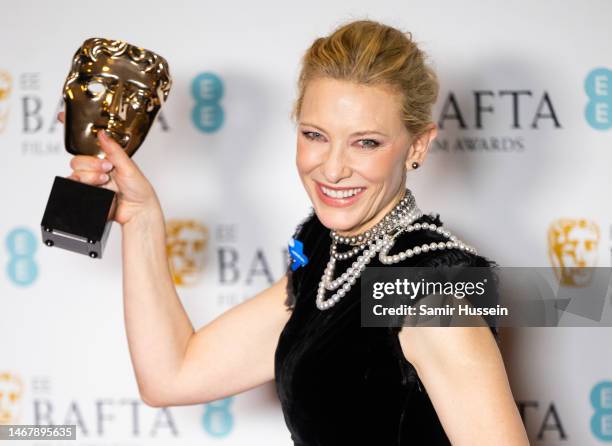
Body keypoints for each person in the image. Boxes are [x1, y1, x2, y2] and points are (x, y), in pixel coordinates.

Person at [59, 19, 529, 446]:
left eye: (366, 142)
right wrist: (142, 219)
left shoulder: (427, 292)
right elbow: (172, 375)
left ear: (418, 145)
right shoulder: (330, 258)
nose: (333, 168)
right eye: (315, 135)